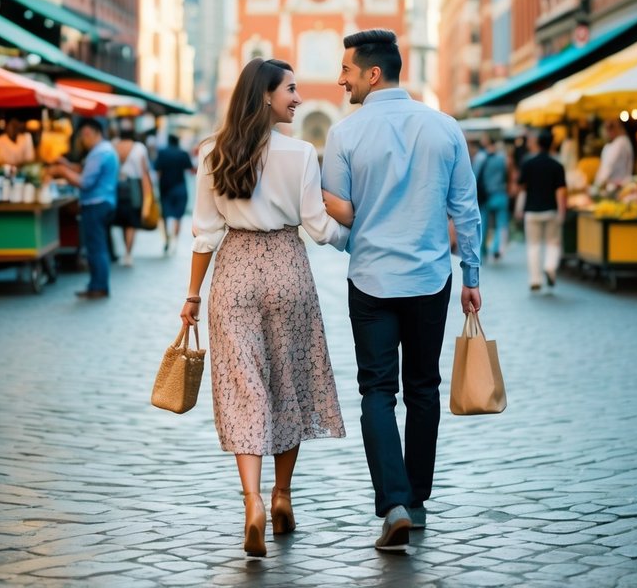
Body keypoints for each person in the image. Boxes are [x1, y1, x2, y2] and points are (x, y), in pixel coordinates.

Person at [179, 58, 350, 560]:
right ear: (265, 96)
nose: (297, 98)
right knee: (287, 383)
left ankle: (251, 502)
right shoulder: (299, 154)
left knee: (244, 387)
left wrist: (192, 296)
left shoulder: (213, 151)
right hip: (285, 268)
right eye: (290, 90)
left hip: (233, 271)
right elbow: (319, 228)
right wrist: (356, 231)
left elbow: (205, 232)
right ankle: (282, 495)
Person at [321, 28, 481, 553]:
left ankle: (391, 503)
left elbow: (341, 223)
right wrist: (472, 278)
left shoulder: (344, 136)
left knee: (377, 391)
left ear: (372, 73)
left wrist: (343, 237)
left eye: (346, 69)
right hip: (430, 279)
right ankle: (415, 500)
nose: (340, 79)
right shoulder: (445, 128)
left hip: (370, 279)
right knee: (423, 389)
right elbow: (466, 211)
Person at [47, 117, 118, 299]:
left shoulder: (99, 153)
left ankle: (98, 286)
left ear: (90, 133)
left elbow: (85, 182)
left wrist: (62, 172)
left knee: (96, 247)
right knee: (98, 246)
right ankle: (97, 285)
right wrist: (68, 166)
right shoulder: (105, 150)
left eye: (83, 136)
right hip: (104, 202)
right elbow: (85, 171)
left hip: (96, 204)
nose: (82, 140)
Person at [518, 128, 568, 291]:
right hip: (551, 210)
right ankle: (550, 266)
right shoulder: (557, 166)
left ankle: (535, 279)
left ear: (538, 143)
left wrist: (519, 208)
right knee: (553, 242)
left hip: (531, 211)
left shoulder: (528, 163)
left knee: (533, 245)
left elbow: (522, 188)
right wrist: (562, 212)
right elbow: (561, 192)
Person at [111, 121, 154, 267]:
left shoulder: (114, 146)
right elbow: (144, 172)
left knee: (123, 221)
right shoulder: (139, 148)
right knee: (132, 220)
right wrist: (148, 193)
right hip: (134, 186)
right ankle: (128, 253)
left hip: (117, 186)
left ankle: (125, 250)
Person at [155, 133, 194, 254]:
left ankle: (167, 239)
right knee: (178, 216)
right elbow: (191, 170)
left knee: (164, 216)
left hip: (165, 188)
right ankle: (175, 242)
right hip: (180, 187)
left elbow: (158, 171)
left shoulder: (162, 153)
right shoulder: (183, 153)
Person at [477, 135, 510, 260]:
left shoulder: (480, 158)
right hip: (500, 194)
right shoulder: (502, 158)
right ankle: (496, 247)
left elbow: (474, 177)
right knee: (501, 223)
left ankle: (482, 250)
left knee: (483, 224)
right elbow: (508, 174)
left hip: (485, 196)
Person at [594, 118, 634, 190]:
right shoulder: (625, 141)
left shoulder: (618, 144)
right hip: (624, 184)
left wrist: (597, 185)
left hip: (616, 187)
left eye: (610, 127)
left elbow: (607, 167)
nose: (607, 132)